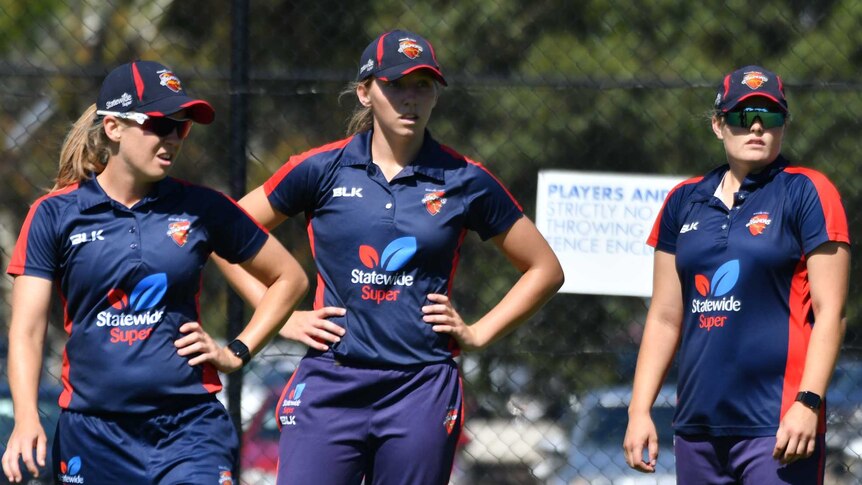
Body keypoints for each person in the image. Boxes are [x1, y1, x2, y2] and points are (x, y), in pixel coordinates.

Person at [214, 29, 564, 484]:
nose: (410, 99)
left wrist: (477, 333)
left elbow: (545, 270)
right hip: (330, 381)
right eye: (395, 85)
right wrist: (280, 316)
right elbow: (222, 235)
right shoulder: (321, 168)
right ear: (365, 91)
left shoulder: (464, 178)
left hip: (421, 389)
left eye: (423, 86)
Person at [1, 60, 308, 484]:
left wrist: (236, 352)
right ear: (113, 127)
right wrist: (26, 418)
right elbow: (28, 331)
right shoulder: (54, 215)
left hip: (190, 430)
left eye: (181, 127)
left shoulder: (204, 208)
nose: (172, 138)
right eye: (159, 124)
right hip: (93, 434)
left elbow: (289, 278)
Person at [622, 65, 850, 484]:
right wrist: (639, 411)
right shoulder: (682, 201)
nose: (758, 127)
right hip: (697, 429)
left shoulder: (808, 191)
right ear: (717, 124)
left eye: (772, 116)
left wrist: (808, 402)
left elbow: (831, 312)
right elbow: (664, 317)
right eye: (744, 116)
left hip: (778, 429)